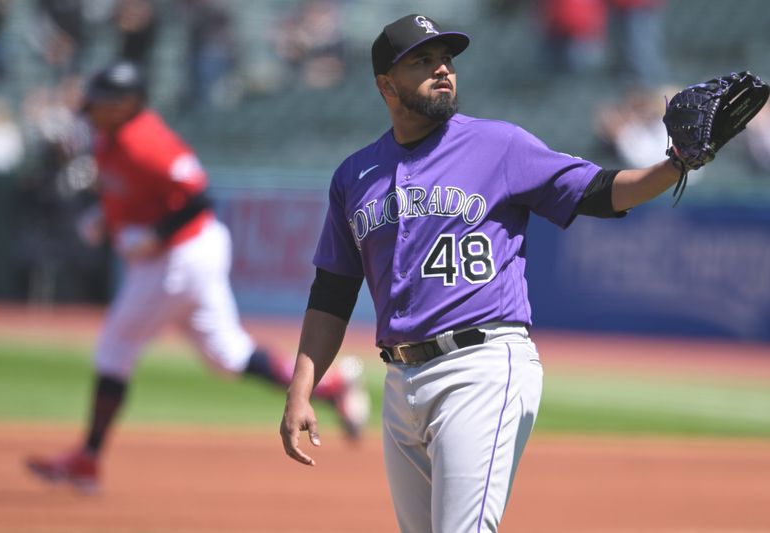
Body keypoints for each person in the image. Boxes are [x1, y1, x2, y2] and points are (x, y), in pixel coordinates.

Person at [279, 14, 698, 533]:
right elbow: (332, 292)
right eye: (423, 61)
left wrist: (674, 164)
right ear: (386, 84)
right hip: (400, 379)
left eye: (447, 59)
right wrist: (302, 389)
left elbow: (599, 191)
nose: (443, 71)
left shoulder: (500, 146)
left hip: (481, 366)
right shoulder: (354, 176)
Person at [25, 61, 370, 493]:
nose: (92, 107)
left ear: (126, 104)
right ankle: (333, 386)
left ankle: (88, 460)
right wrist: (104, 217)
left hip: (182, 255)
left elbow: (197, 195)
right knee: (226, 355)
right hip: (180, 255)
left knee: (115, 345)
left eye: (102, 101)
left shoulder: (147, 140)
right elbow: (132, 193)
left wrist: (154, 233)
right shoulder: (108, 136)